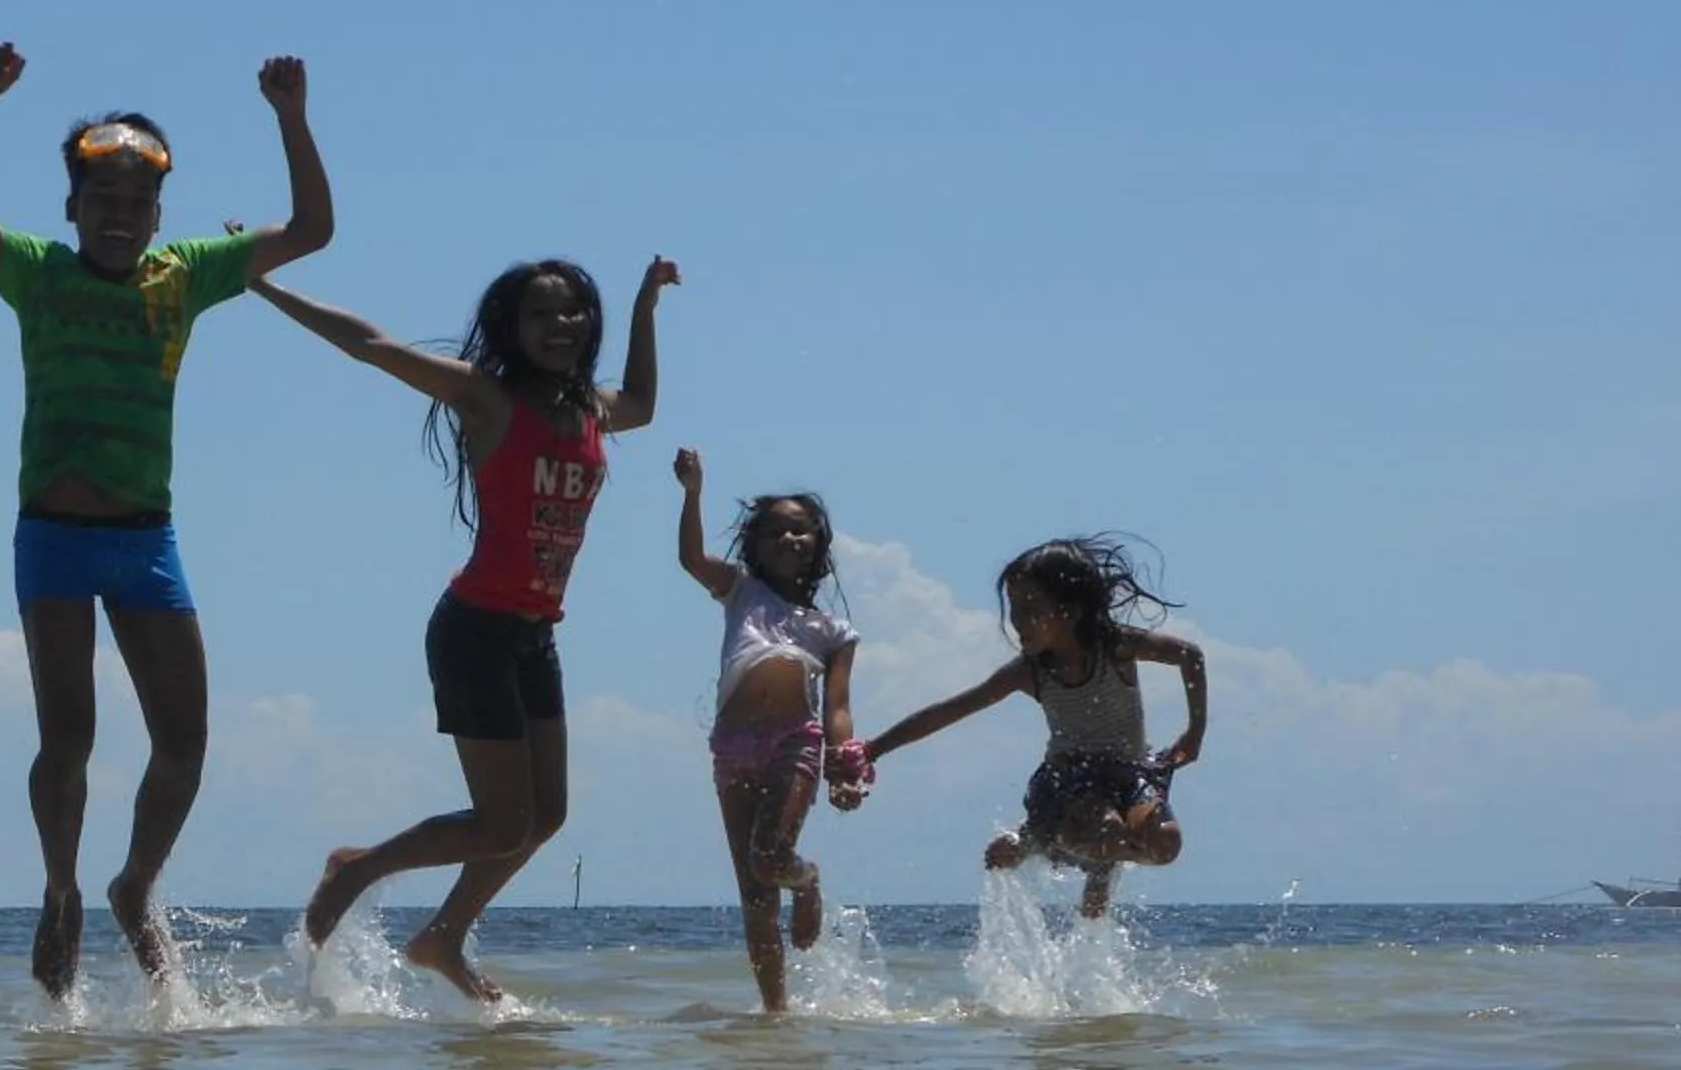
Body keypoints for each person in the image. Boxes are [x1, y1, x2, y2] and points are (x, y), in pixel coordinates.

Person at [0, 43, 332, 998]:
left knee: (184, 742)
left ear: (158, 214)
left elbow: (312, 229)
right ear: (72, 207)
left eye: (137, 202)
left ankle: (133, 882)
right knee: (69, 743)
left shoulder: (185, 274)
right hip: (53, 535)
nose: (118, 214)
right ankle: (60, 888)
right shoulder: (35, 272)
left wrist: (290, 118)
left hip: (148, 538)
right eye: (100, 198)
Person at [266, 256, 678, 1002]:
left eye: (574, 312)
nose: (560, 326)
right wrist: (264, 284)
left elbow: (644, 401)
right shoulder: (486, 399)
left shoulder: (591, 409)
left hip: (534, 635)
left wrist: (645, 306)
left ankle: (444, 936)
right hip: (475, 630)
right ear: (510, 329)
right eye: (541, 315)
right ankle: (355, 868)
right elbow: (370, 345)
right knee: (499, 824)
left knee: (543, 816)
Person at [862, 535, 1209, 918]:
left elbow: (1189, 656)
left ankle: (1074, 852)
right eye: (1014, 609)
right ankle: (1041, 839)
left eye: (1031, 609)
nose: (1018, 622)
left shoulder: (1116, 647)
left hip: (1131, 771)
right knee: (1106, 832)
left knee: (1165, 844)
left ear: (1071, 611)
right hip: (1069, 778)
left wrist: (1195, 733)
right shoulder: (1031, 672)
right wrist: (872, 749)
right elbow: (952, 710)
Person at [674, 453, 864, 1013]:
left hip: (794, 741)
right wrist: (693, 491)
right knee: (755, 896)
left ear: (818, 544)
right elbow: (689, 558)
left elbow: (838, 707)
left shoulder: (833, 631)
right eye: (776, 529)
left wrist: (844, 767)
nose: (789, 537)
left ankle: (806, 883)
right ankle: (776, 1014)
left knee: (771, 857)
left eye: (800, 530)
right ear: (755, 544)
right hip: (731, 749)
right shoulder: (740, 590)